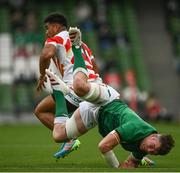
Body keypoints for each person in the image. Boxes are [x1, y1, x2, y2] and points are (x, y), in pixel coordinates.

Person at [44, 39, 175, 168]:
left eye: (154, 152)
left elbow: (130, 163)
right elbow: (104, 146)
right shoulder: (135, 128)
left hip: (97, 115)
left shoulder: (144, 147)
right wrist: (117, 168)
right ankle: (77, 47)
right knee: (79, 87)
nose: (150, 151)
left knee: (58, 135)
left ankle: (59, 92)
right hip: (107, 100)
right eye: (152, 147)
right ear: (153, 136)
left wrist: (136, 162)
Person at [34, 13, 100, 159]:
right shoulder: (82, 44)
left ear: (56, 26)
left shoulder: (56, 38)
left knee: (40, 111)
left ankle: (69, 139)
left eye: (47, 28)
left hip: (75, 89)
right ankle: (138, 150)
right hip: (95, 88)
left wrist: (42, 75)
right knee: (109, 122)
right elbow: (95, 67)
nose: (46, 32)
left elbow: (46, 55)